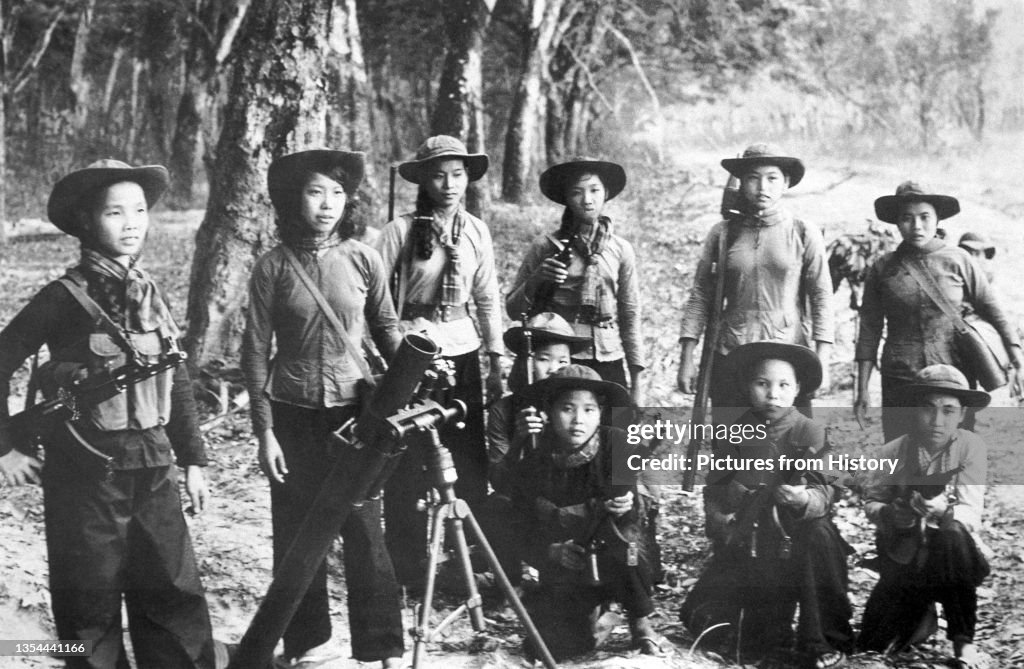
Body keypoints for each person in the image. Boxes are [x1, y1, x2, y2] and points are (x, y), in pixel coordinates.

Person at [0, 160, 219, 668]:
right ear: (85, 222)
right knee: (88, 606)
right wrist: (6, 448)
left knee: (174, 593)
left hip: (153, 463)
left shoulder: (150, 292)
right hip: (85, 473)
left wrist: (194, 458)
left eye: (139, 210)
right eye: (114, 212)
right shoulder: (62, 297)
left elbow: (176, 376)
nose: (131, 223)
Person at [240, 149, 404, 668]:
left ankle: (380, 649)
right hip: (291, 415)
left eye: (337, 193)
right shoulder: (271, 267)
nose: (328, 204)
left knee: (363, 528)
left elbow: (387, 329)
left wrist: (413, 377)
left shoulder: (363, 257)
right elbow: (253, 351)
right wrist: (264, 433)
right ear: (294, 200)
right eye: (316, 192)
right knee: (295, 532)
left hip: (355, 414)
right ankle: (307, 643)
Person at [375, 135, 504, 589]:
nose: (448, 184)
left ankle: (467, 563)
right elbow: (374, 297)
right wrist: (389, 346)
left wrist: (495, 354)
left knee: (467, 455)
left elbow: (487, 296)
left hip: (463, 346)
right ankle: (407, 567)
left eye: (457, 174)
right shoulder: (400, 231)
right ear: (423, 181)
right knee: (409, 458)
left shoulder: (475, 230)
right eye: (438, 175)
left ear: (468, 178)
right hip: (413, 350)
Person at [680, 342, 853, 669]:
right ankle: (764, 631)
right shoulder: (733, 434)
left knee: (820, 537)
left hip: (798, 539)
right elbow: (713, 494)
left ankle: (823, 640)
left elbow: (829, 488)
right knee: (720, 628)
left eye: (783, 385)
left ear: (797, 389)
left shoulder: (811, 432)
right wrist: (729, 512)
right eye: (762, 384)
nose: (772, 394)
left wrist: (804, 499)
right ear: (748, 387)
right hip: (753, 544)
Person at [512, 365, 663, 660]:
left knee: (628, 542)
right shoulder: (534, 458)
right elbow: (521, 523)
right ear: (549, 411)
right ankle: (597, 613)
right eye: (567, 409)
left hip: (614, 550)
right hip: (567, 559)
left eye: (589, 410)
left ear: (600, 413)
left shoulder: (616, 442)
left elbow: (631, 505)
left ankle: (640, 621)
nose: (578, 420)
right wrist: (551, 551)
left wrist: (627, 502)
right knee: (551, 649)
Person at [855, 181, 1022, 440]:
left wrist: (1017, 361)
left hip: (954, 370)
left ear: (937, 219)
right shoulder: (882, 268)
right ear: (897, 223)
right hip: (901, 373)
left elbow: (992, 310)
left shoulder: (958, 260)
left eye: (925, 217)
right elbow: (869, 329)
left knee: (954, 444)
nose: (917, 226)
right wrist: (861, 388)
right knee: (902, 447)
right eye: (907, 218)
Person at [677, 143, 834, 417]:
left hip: (788, 354)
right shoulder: (723, 234)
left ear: (785, 183)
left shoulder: (803, 232)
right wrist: (687, 357)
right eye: (753, 177)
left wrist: (823, 359)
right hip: (730, 353)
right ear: (742, 183)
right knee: (731, 449)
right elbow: (701, 294)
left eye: (772, 178)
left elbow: (821, 296)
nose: (763, 186)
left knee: (790, 448)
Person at [859, 365, 992, 669]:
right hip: (904, 554)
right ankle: (920, 613)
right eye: (927, 409)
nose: (936, 420)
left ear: (961, 415)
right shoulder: (893, 451)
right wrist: (890, 515)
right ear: (913, 410)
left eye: (948, 411)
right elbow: (871, 501)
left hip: (951, 557)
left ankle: (964, 644)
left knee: (953, 534)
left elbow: (971, 511)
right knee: (873, 642)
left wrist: (944, 511)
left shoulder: (971, 447)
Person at [506, 157, 645, 403]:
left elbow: (630, 313)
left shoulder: (620, 249)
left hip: (608, 355)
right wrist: (538, 279)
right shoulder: (546, 247)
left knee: (617, 433)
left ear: (606, 194)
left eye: (594, 190)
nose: (587, 200)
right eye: (577, 193)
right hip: (564, 356)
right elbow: (513, 309)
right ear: (567, 199)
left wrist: (637, 381)